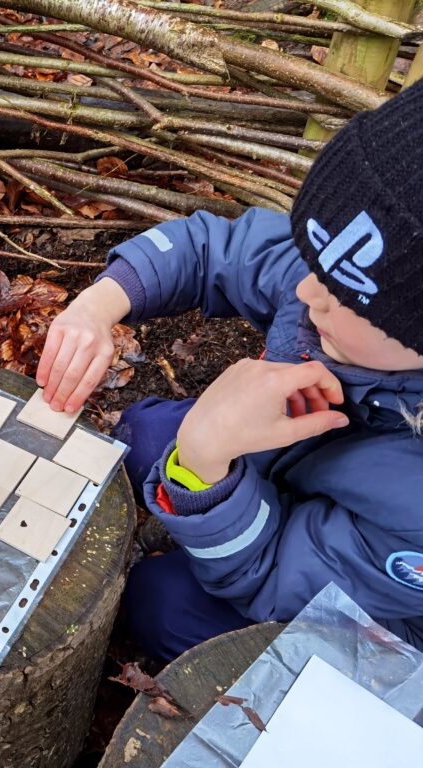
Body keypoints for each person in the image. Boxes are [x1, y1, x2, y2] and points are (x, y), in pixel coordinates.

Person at [36, 78, 423, 662]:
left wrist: (201, 470)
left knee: (160, 603)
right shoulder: (346, 279)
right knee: (141, 433)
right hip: (292, 474)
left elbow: (274, 578)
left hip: (375, 625)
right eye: (314, 254)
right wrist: (99, 305)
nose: (303, 287)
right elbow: (212, 247)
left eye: (342, 293)